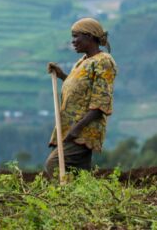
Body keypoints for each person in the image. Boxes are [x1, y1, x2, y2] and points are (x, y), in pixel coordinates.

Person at [44, 18, 117, 178]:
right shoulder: (83, 61)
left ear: (89, 37)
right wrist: (61, 74)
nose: (73, 41)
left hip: (83, 131)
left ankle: (62, 200)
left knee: (54, 165)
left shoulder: (103, 62)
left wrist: (75, 130)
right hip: (72, 129)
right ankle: (82, 201)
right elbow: (79, 88)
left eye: (76, 36)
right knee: (78, 174)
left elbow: (100, 104)